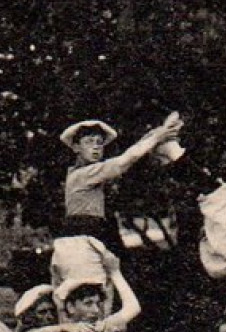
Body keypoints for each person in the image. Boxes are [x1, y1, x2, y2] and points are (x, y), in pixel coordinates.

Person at [52, 115, 181, 301]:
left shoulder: (86, 173)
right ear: (75, 147)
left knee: (97, 299)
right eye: (89, 142)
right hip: (81, 242)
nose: (96, 146)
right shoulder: (83, 174)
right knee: (91, 299)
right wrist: (157, 137)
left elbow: (128, 155)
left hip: (90, 238)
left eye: (99, 142)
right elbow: (124, 161)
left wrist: (157, 133)